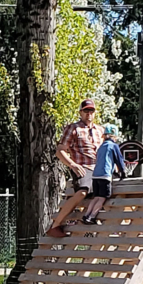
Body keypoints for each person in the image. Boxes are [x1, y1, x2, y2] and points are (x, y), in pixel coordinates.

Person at [46, 98, 104, 238]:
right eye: (86, 111)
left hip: (100, 168)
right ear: (80, 112)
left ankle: (116, 227)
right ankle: (56, 224)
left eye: (91, 110)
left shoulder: (100, 130)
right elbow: (60, 150)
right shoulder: (73, 128)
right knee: (83, 192)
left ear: (95, 113)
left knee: (115, 188)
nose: (88, 113)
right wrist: (72, 164)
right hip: (83, 167)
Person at [81, 123, 127, 225]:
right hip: (105, 176)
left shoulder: (101, 147)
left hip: (95, 175)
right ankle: (92, 217)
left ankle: (86, 215)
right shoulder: (114, 146)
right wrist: (123, 172)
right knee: (102, 198)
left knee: (96, 197)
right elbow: (119, 160)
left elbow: (103, 161)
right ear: (113, 136)